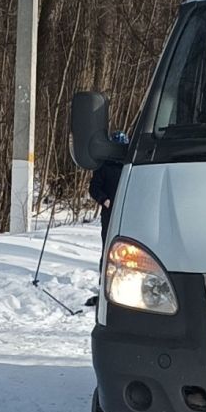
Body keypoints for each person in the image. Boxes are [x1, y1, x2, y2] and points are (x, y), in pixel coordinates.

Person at [85, 131, 129, 307]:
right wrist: (104, 200)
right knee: (108, 249)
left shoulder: (130, 166)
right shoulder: (103, 167)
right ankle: (105, 286)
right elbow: (94, 188)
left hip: (128, 214)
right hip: (110, 214)